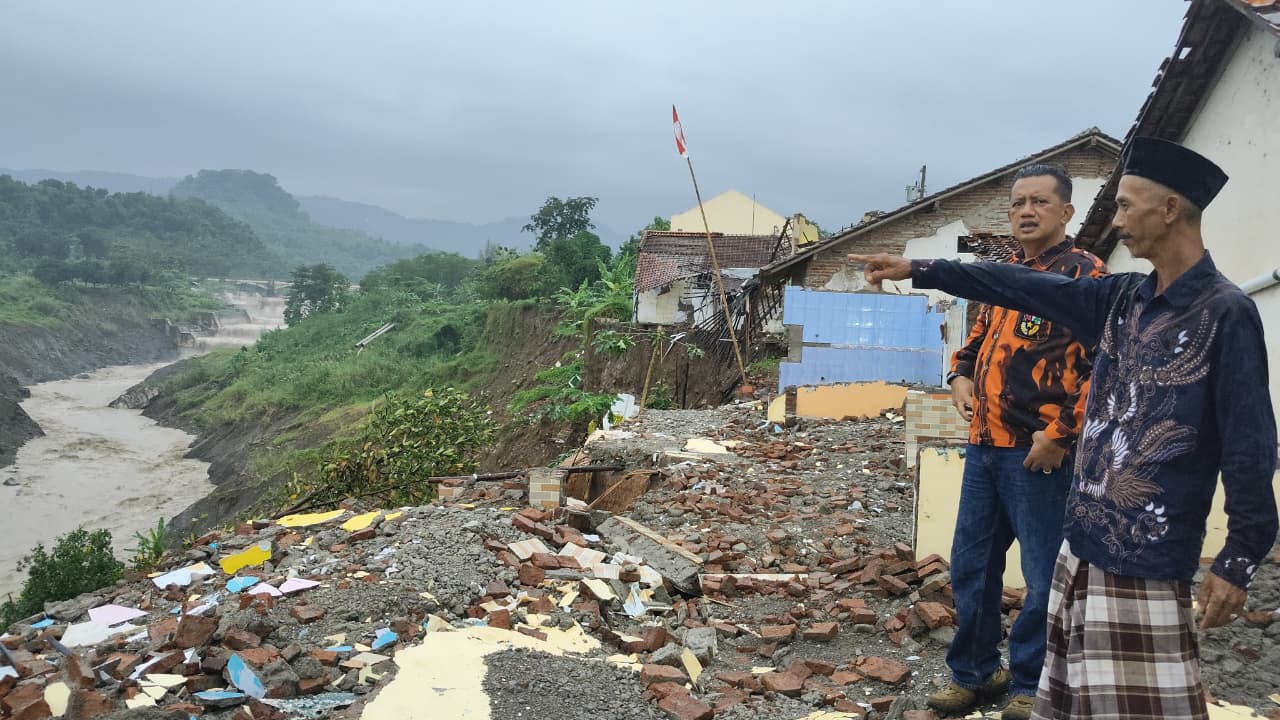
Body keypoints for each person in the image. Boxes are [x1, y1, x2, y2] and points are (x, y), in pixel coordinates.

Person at [852, 137, 1278, 720]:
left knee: (1144, 703)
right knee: (1078, 692)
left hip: (1151, 550)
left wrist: (1238, 557)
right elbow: (1014, 284)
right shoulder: (1123, 296)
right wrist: (921, 269)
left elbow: (1251, 443)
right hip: (1086, 536)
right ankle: (982, 674)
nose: (1119, 220)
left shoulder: (1225, 311)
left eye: (1128, 206)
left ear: (1171, 209)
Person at [921, 165, 1107, 720]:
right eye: (1018, 203)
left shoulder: (1086, 279)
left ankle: (1033, 681)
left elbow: (1105, 369)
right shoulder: (1003, 277)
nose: (1027, 211)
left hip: (1039, 455)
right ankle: (975, 673)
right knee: (970, 568)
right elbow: (971, 347)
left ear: (1066, 212)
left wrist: (1060, 434)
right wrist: (958, 378)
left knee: (1044, 575)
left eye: (1040, 202)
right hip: (984, 449)